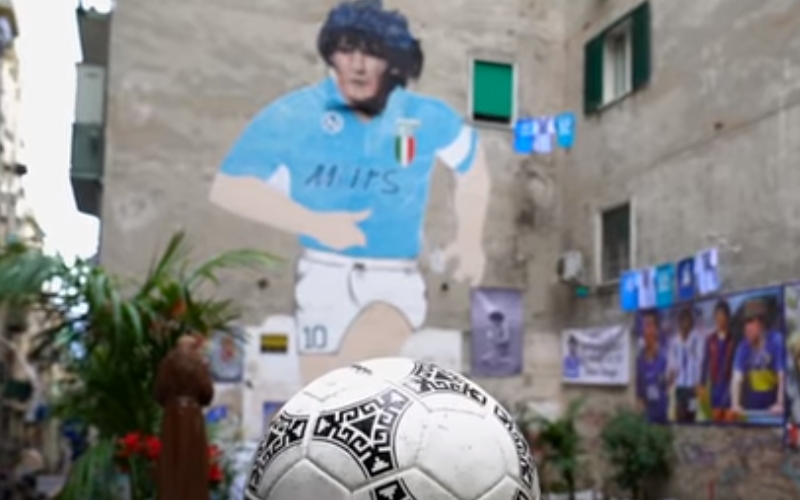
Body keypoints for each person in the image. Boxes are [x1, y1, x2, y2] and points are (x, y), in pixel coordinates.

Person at [209, 0, 490, 385]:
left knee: (358, 371)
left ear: (392, 61)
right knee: (322, 392)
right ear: (331, 55)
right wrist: (314, 223)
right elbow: (229, 186)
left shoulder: (425, 115)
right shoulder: (295, 114)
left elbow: (472, 166)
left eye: (372, 53)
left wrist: (470, 239)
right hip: (322, 273)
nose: (358, 65)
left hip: (393, 275)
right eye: (346, 50)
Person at [155, 335, 215, 500]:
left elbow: (158, 392)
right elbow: (207, 393)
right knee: (193, 464)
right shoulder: (199, 363)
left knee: (171, 462)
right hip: (193, 415)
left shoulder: (166, 363)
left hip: (171, 416)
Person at [731, 299, 785, 415]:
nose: (746, 327)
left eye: (750, 322)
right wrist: (735, 405)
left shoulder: (776, 341)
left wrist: (780, 403)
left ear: (761, 323)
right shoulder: (743, 347)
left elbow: (782, 376)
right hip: (753, 406)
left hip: (773, 408)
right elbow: (737, 378)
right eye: (745, 323)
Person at [699, 300, 737, 422]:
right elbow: (705, 362)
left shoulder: (733, 340)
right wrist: (702, 383)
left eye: (722, 316)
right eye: (717, 316)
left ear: (727, 318)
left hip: (729, 385)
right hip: (715, 386)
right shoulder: (710, 340)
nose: (720, 319)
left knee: (729, 418)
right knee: (716, 417)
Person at [667, 307, 704, 423]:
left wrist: (698, 383)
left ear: (691, 323)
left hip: (692, 388)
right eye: (682, 321)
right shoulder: (674, 342)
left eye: (687, 321)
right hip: (680, 387)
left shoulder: (697, 340)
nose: (684, 324)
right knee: (679, 414)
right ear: (679, 323)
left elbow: (700, 362)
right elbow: (672, 365)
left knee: (692, 414)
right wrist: (670, 380)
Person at [636, 310, 669, 423]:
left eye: (649, 325)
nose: (646, 330)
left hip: (663, 417)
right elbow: (639, 393)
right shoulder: (639, 360)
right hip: (646, 418)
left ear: (656, 330)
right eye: (644, 326)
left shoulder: (665, 357)